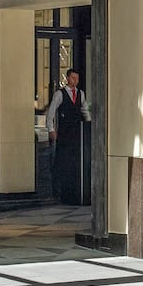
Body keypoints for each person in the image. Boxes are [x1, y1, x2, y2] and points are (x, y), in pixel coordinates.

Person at [45, 68, 89, 205]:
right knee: (63, 161)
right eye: (73, 78)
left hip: (77, 132)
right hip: (64, 132)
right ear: (68, 78)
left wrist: (89, 125)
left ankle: (73, 190)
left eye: (77, 78)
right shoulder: (60, 94)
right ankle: (60, 192)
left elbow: (84, 110)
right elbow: (51, 112)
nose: (75, 81)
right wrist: (51, 129)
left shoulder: (80, 94)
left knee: (75, 162)